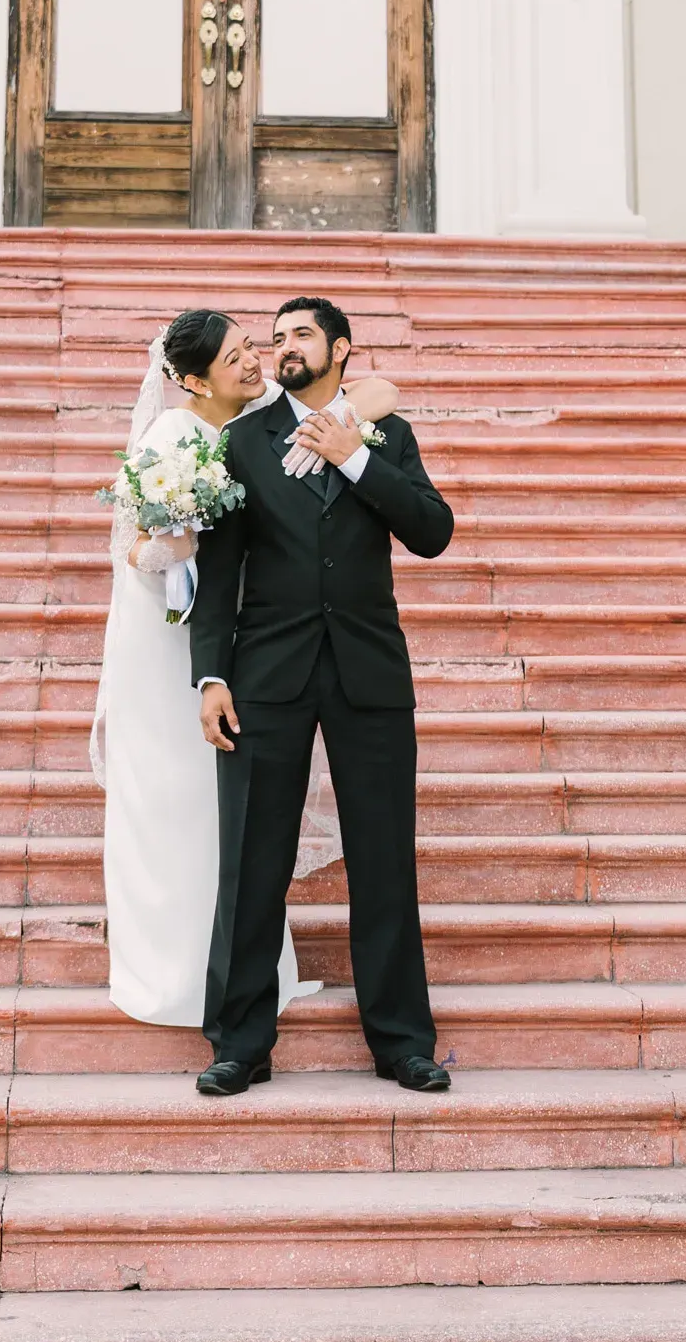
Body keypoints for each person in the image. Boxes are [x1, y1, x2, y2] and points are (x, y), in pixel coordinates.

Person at [92, 308, 398, 1030]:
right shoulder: (173, 436)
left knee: (223, 811)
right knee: (177, 798)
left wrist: (339, 423)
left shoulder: (260, 418)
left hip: (239, 632)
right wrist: (180, 542)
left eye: (250, 347)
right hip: (172, 636)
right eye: (234, 356)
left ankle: (239, 964)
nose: (254, 361)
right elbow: (137, 550)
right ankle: (174, 971)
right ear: (192, 380)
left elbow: (379, 390)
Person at [191, 295, 455, 1098]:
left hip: (368, 672)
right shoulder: (243, 442)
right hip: (265, 673)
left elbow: (432, 532)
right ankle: (239, 1042)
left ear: (341, 349)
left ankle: (403, 1042)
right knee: (251, 860)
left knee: (383, 861)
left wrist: (355, 458)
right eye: (274, 339)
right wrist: (209, 675)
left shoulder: (386, 434)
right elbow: (218, 570)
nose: (282, 347)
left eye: (300, 334)